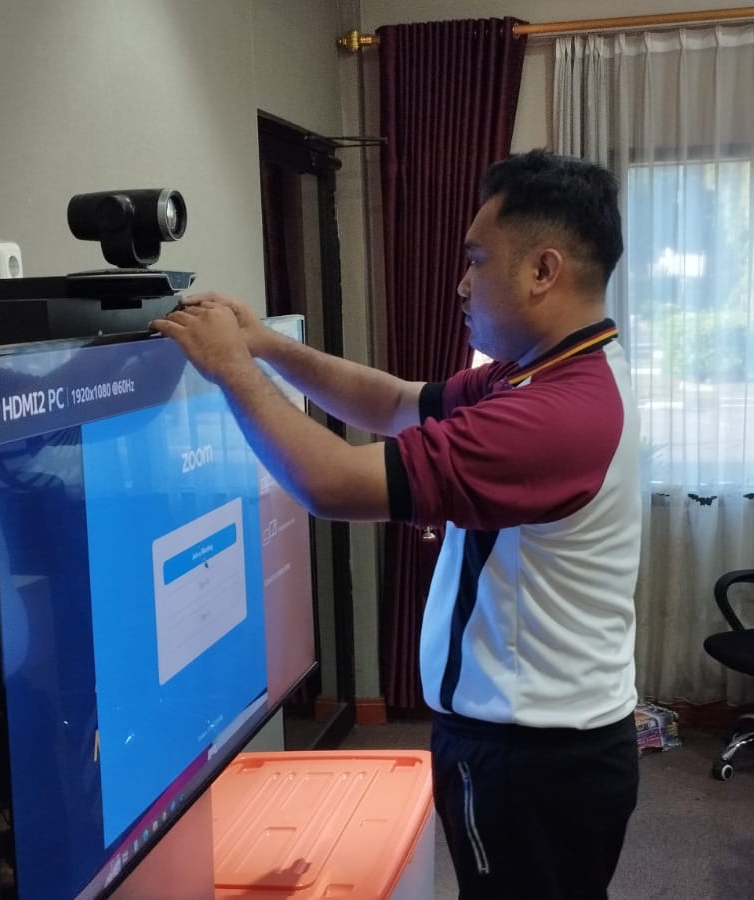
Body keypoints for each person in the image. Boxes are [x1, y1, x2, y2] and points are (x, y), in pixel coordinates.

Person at [152, 149, 640, 900]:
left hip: (532, 759)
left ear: (544, 271)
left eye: (477, 260)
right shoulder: (548, 371)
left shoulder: (557, 415)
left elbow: (331, 483)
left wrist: (233, 371)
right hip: (544, 746)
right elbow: (394, 403)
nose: (462, 284)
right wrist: (267, 345)